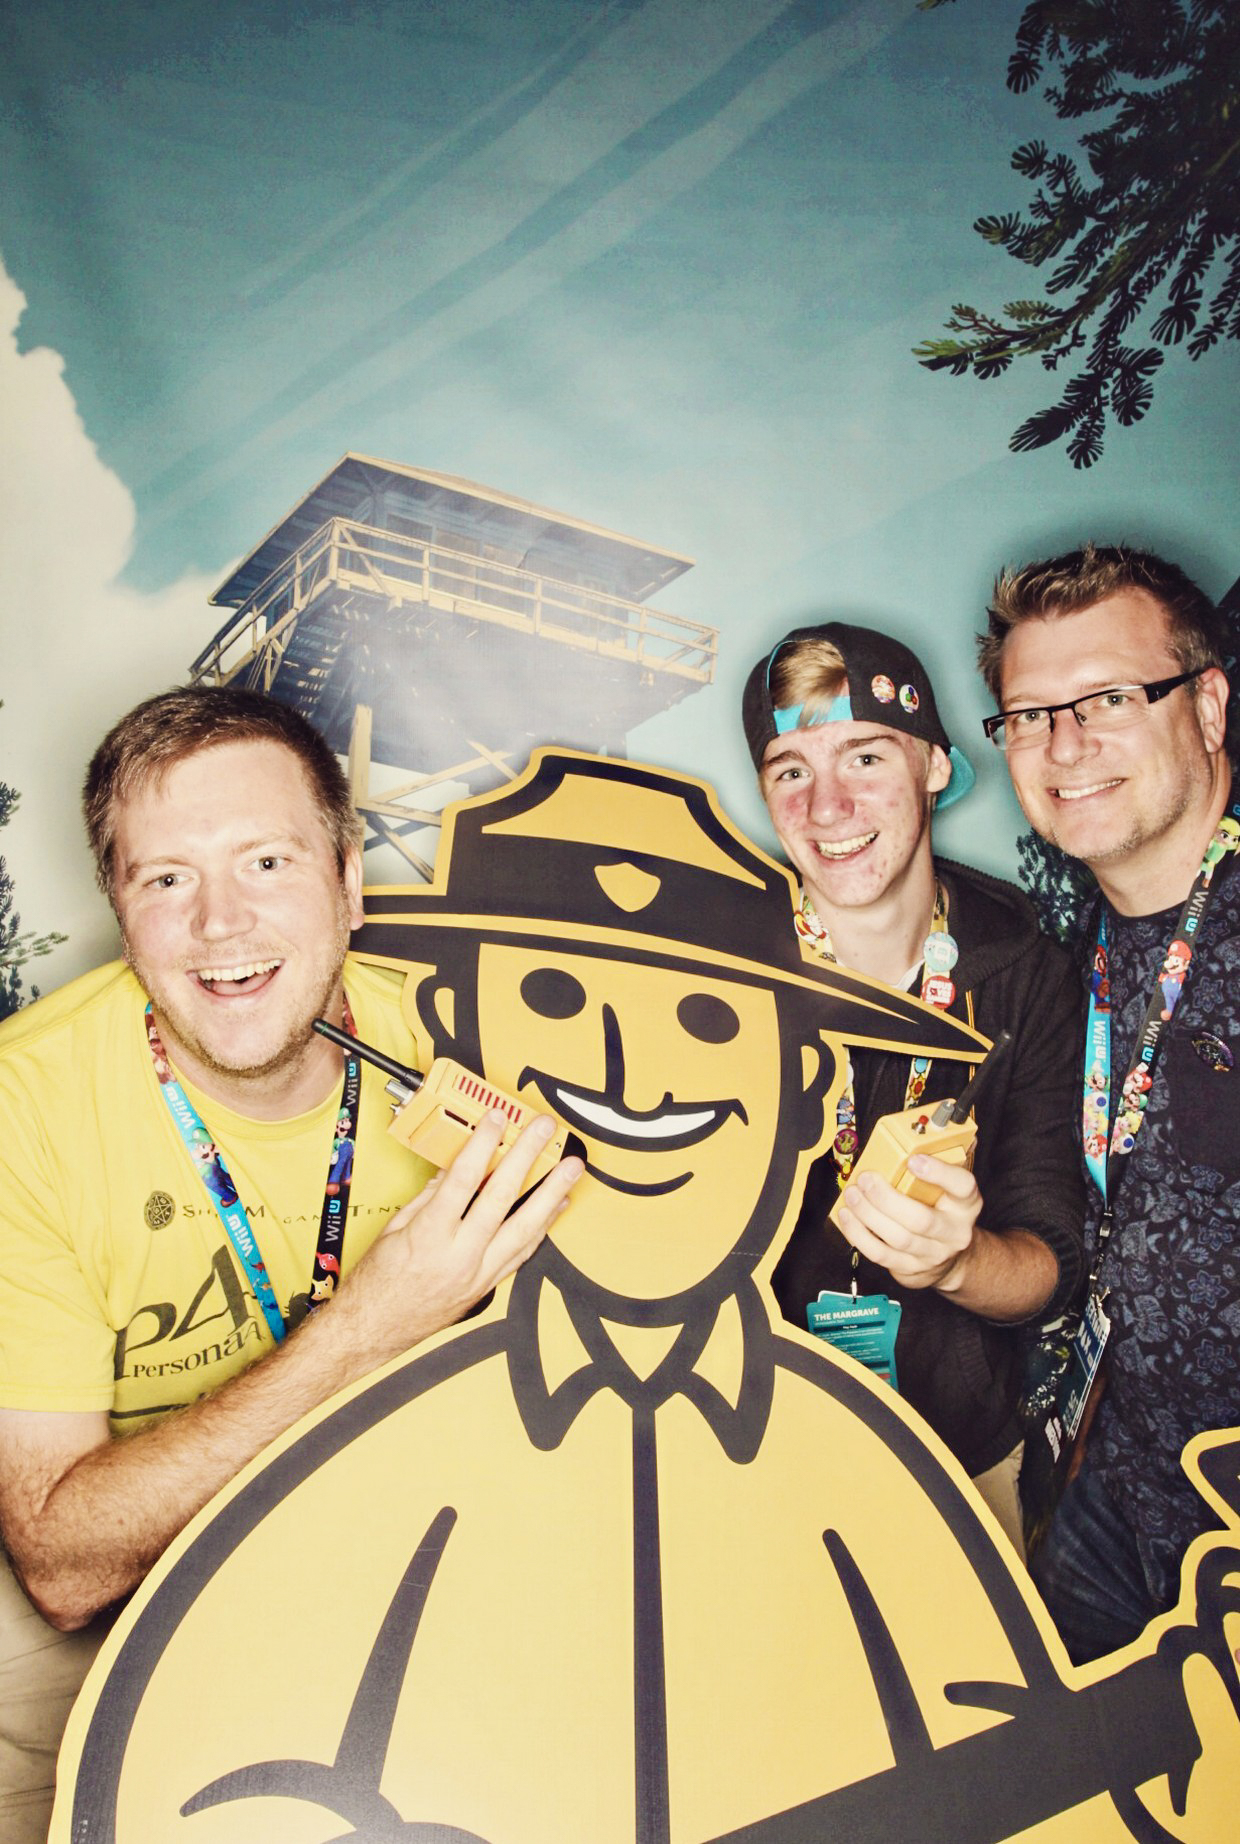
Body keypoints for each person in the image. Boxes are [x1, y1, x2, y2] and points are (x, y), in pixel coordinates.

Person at [0, 685, 583, 1838]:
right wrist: (367, 1325)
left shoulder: (473, 1039)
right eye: (166, 879)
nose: (220, 923)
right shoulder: (25, 1106)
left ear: (350, 880)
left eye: (266, 862)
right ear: (120, 908)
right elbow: (65, 1565)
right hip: (127, 1608)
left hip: (416, 1556)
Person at [741, 621, 1084, 1551]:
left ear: (934, 765)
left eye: (865, 756)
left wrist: (956, 1263)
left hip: (960, 1460)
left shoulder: (1028, 972)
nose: (828, 806)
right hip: (748, 1452)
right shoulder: (719, 967)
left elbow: (1050, 1265)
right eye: (790, 770)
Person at [979, 542, 1239, 1663]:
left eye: (1110, 699)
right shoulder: (1066, 951)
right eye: (1030, 715)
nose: (1064, 745)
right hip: (1113, 1503)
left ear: (1208, 706)